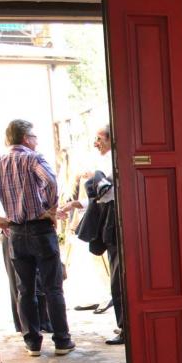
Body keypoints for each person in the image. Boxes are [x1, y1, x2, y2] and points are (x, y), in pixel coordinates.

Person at [0, 119, 75, 356]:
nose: (36, 141)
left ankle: (32, 343)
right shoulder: (33, 158)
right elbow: (51, 181)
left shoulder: (0, 162)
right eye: (34, 137)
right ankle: (62, 341)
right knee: (53, 288)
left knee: (25, 290)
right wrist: (51, 209)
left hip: (15, 232)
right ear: (25, 138)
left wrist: (1, 220)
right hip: (40, 230)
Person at [70, 124, 123, 345]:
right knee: (116, 274)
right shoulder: (104, 161)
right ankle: (124, 324)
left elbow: (108, 193)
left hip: (115, 220)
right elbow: (100, 197)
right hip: (109, 218)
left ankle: (125, 327)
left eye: (99, 138)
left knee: (118, 276)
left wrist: (95, 177)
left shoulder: (115, 160)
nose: (95, 143)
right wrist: (79, 203)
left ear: (111, 138)